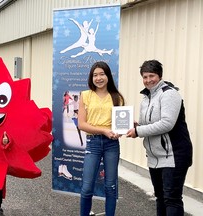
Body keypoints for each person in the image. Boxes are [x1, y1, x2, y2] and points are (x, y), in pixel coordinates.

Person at [126, 60, 193, 216]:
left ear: (160, 75)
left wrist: (139, 131)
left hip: (174, 155)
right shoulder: (147, 97)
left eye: (152, 76)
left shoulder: (169, 94)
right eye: (145, 77)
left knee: (172, 199)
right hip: (155, 156)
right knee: (161, 197)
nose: (148, 80)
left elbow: (166, 124)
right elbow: (148, 123)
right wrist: (136, 125)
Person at [78, 61, 125, 216]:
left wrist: (121, 130)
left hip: (112, 144)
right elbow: (82, 124)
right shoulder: (85, 95)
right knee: (87, 188)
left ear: (108, 76)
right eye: (95, 75)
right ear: (91, 78)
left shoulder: (117, 97)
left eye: (102, 74)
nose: (98, 78)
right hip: (93, 144)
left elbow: (121, 125)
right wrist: (103, 130)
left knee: (110, 186)